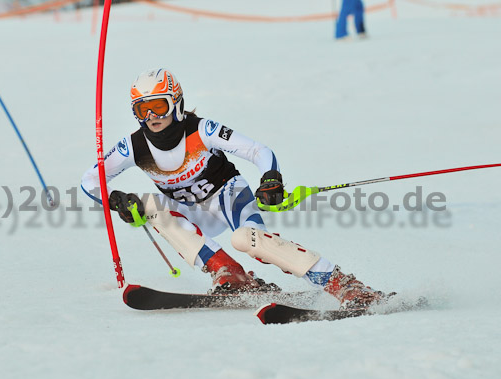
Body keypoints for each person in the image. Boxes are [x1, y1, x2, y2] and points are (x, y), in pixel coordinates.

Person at [81, 68, 386, 309]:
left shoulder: (202, 129)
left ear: (176, 102)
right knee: (150, 206)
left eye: (158, 106)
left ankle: (342, 283)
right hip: (188, 210)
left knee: (247, 239)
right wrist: (115, 200)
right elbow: (90, 181)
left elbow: (258, 151)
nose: (151, 117)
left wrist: (270, 178)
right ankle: (229, 273)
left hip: (227, 195)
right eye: (141, 109)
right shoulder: (133, 145)